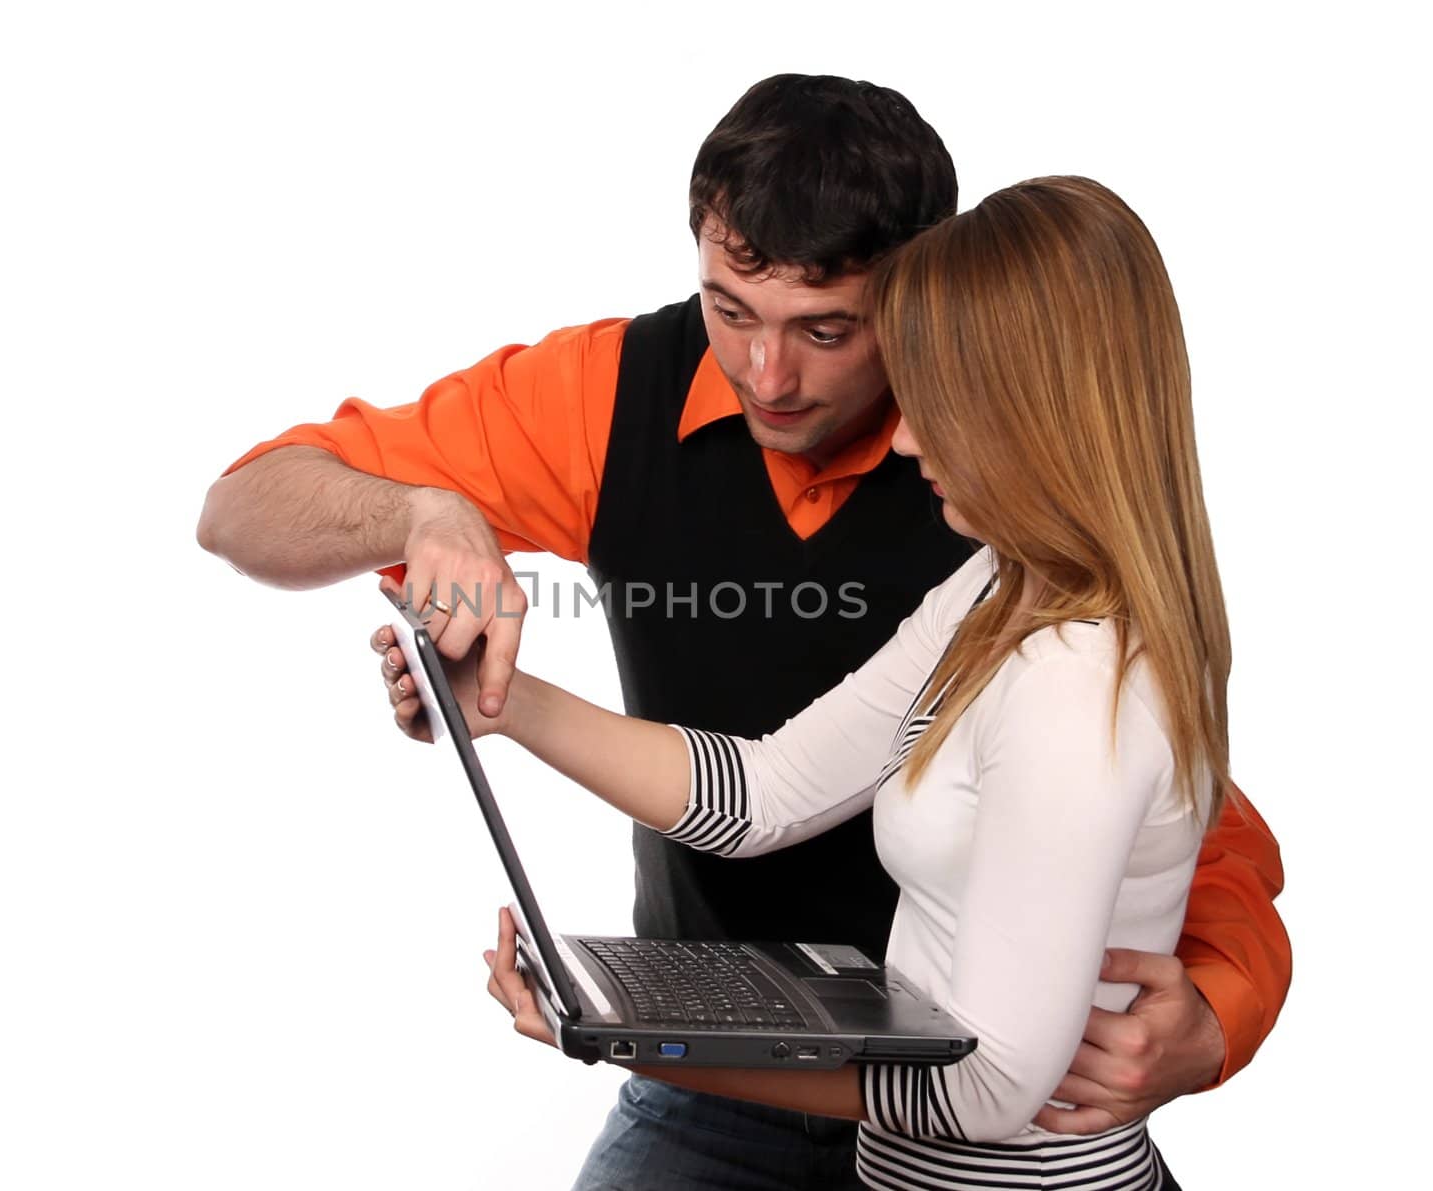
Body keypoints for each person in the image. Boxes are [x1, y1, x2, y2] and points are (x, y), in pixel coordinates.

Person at [197, 75, 1288, 1190]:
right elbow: (764, 794)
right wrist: (494, 684)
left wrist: (1222, 1009)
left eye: (828, 330)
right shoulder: (995, 592)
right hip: (804, 1113)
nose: (770, 375)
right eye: (731, 310)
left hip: (892, 1099)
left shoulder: (1072, 665)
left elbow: (1009, 1059)